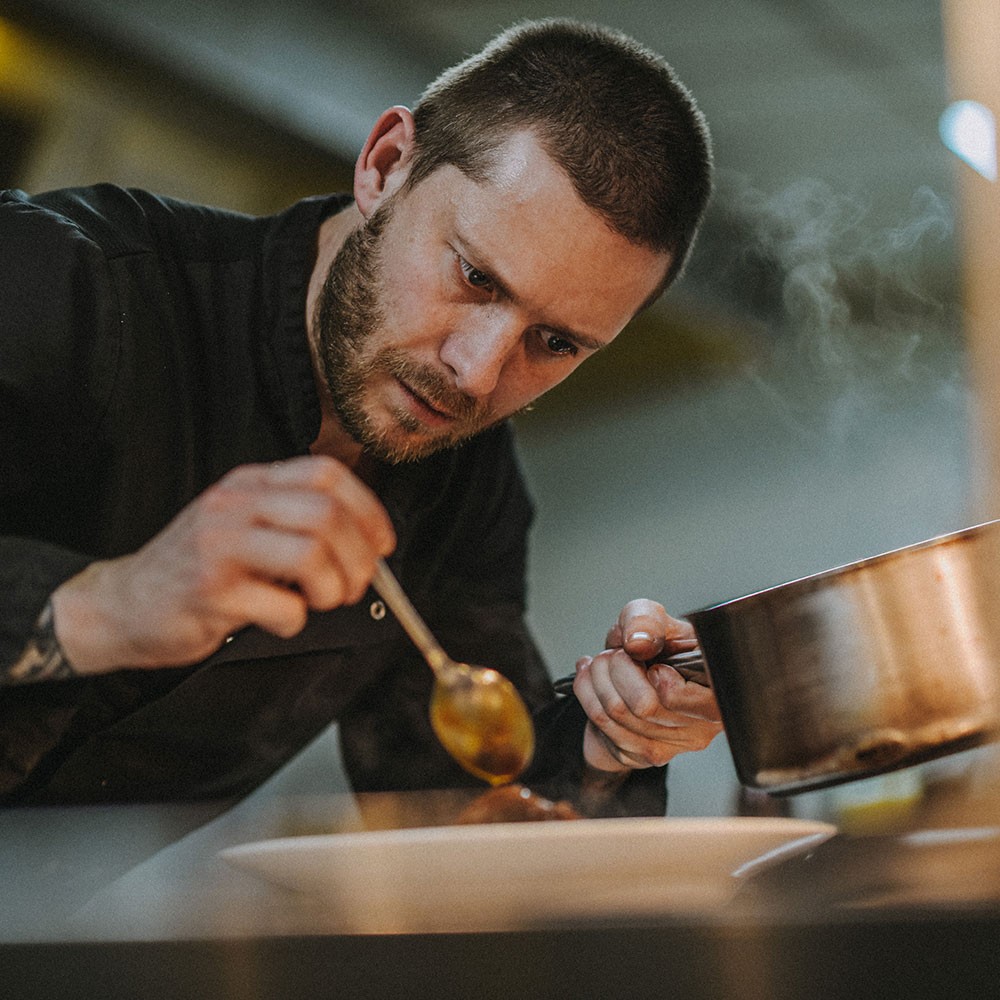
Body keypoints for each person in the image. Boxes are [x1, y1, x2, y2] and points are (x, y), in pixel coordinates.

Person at [0, 18, 721, 812]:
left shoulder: (467, 495)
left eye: (554, 342)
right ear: (385, 166)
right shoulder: (61, 279)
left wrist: (608, 741)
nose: (475, 374)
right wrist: (103, 606)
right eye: (477, 276)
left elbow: (462, 791)